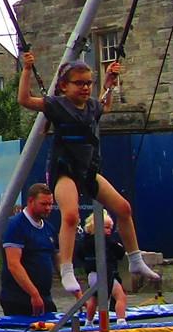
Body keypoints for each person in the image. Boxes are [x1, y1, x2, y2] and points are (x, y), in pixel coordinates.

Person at [17, 52, 160, 299]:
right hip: (64, 170)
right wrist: (27, 69)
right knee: (71, 216)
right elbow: (24, 100)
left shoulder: (93, 106)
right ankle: (67, 268)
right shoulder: (56, 104)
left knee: (124, 208)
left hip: (88, 170)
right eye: (79, 83)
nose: (84, 88)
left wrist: (108, 84)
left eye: (88, 84)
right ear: (64, 86)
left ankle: (135, 258)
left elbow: (105, 105)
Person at [0, 182, 59, 320]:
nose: (48, 208)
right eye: (44, 204)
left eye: (50, 204)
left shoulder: (49, 227)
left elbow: (57, 260)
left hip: (45, 297)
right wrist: (34, 294)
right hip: (18, 299)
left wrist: (77, 293)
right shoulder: (16, 225)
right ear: (30, 201)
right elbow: (13, 264)